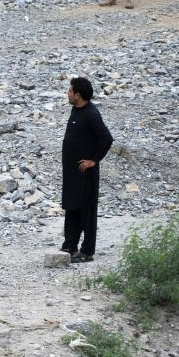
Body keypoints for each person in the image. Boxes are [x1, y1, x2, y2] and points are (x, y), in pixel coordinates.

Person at [61, 77, 114, 263]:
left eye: (70, 91)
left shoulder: (92, 114)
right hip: (72, 173)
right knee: (72, 207)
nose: (67, 93)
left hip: (86, 174)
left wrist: (94, 161)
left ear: (77, 94)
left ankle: (87, 252)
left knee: (87, 211)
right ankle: (70, 245)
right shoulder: (76, 110)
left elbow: (107, 138)